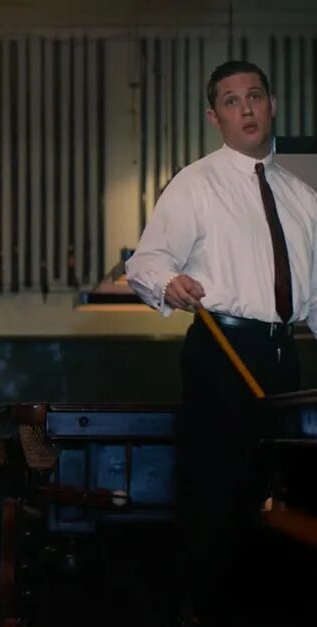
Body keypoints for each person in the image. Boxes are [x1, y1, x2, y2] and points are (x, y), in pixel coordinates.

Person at [126, 60, 317, 626]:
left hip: (284, 360)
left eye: (255, 96)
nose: (247, 109)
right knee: (217, 502)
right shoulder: (195, 183)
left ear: (272, 104)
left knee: (280, 499)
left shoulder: (303, 198)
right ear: (215, 117)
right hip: (221, 353)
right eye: (232, 101)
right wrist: (169, 282)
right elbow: (146, 261)